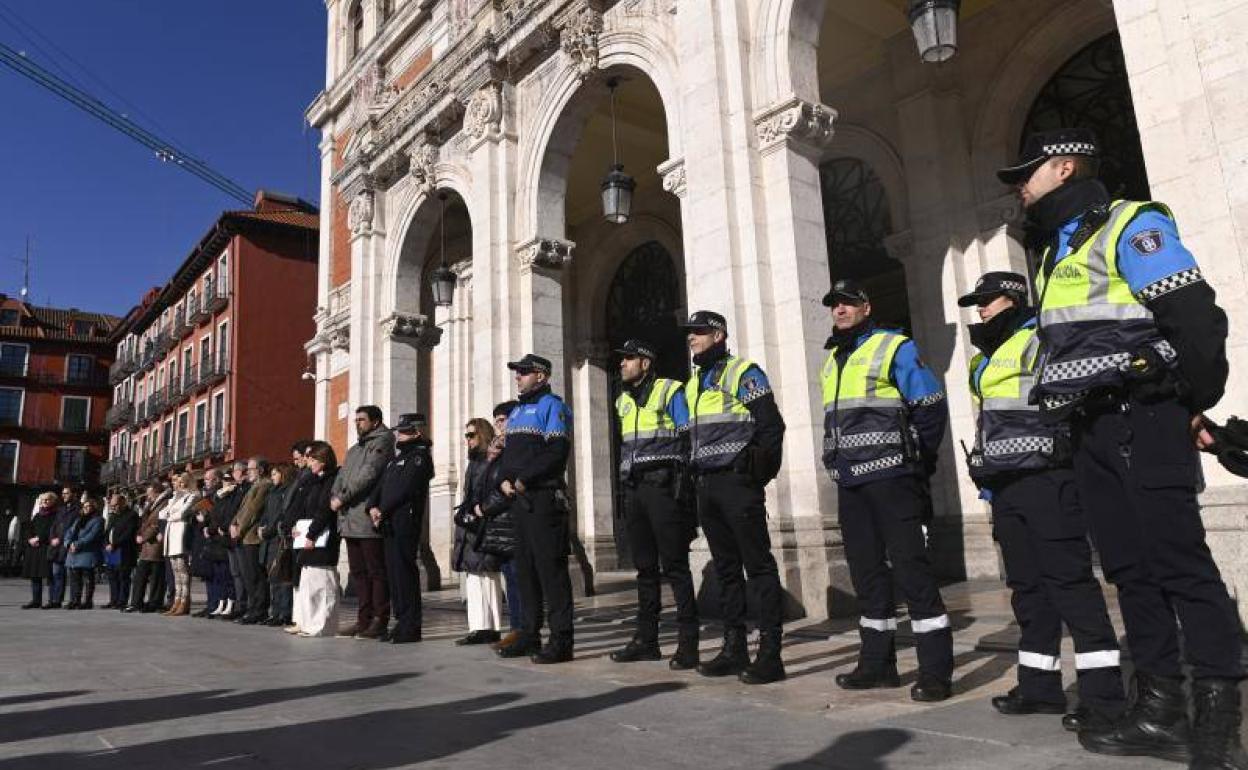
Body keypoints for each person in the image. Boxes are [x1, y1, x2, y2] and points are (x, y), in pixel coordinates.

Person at [1002, 128, 1246, 766]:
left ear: (1062, 167)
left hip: (1142, 417)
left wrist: (1189, 401)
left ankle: (1219, 722)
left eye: (1025, 173)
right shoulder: (1057, 252)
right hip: (1092, 431)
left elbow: (1195, 316)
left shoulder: (1130, 226)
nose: (1018, 186)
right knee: (1131, 573)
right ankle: (1159, 712)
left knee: (1180, 564)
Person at [959, 271, 1125, 729]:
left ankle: (1103, 697)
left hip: (1050, 479)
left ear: (1012, 299)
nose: (981, 309)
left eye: (987, 300)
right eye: (978, 302)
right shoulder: (985, 360)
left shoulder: (1042, 337)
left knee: (1070, 583)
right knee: (1027, 590)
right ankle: (1039, 686)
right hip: (1006, 486)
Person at [819, 280, 954, 701]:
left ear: (866, 307)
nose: (839, 310)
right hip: (852, 484)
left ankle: (935, 671)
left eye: (847, 303)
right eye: (834, 305)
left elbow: (930, 406)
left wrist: (918, 465)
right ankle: (878, 664)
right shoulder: (833, 360)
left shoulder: (894, 347)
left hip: (894, 479)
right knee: (867, 575)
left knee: (913, 572)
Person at [680, 311, 787, 684]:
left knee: (757, 566)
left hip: (737, 484)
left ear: (719, 335)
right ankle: (733, 647)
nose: (692, 337)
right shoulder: (693, 384)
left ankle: (771, 654)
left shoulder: (744, 372)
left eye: (699, 332)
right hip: (706, 486)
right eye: (689, 332)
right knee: (726, 570)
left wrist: (755, 472)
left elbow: (771, 426)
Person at [608, 339, 699, 669]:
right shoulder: (622, 402)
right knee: (644, 569)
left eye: (629, 358)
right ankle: (646, 640)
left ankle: (689, 644)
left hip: (663, 486)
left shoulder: (669, 390)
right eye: (622, 359)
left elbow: (689, 437)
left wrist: (684, 484)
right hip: (634, 490)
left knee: (675, 566)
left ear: (645, 363)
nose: (622, 363)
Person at [496, 353, 575, 664]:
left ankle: (561, 639)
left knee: (551, 571)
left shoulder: (552, 406)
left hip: (542, 498)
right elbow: (509, 454)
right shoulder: (515, 413)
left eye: (524, 372)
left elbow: (557, 452)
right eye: (517, 372)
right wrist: (504, 478)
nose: (518, 376)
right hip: (518, 500)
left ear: (541, 376)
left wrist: (524, 479)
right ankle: (530, 633)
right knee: (525, 570)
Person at [368, 413, 435, 644]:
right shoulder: (396, 459)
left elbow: (405, 489)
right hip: (388, 522)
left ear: (417, 432)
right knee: (394, 575)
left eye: (404, 431)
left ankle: (411, 626)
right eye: (399, 430)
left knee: (405, 573)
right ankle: (400, 621)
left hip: (405, 521)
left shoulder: (420, 457)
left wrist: (382, 509)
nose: (399, 434)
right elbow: (381, 485)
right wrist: (372, 507)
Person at [331, 405, 395, 639]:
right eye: (356, 419)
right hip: (349, 517)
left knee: (376, 571)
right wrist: (335, 495)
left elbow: (369, 474)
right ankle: (363, 619)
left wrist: (342, 497)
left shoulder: (382, 442)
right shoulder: (355, 448)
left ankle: (379, 619)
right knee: (358, 572)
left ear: (375, 421)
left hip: (366, 516)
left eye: (361, 419)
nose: (357, 423)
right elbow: (342, 475)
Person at [452, 418, 504, 646]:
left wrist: (476, 511)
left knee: (483, 575)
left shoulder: (488, 461)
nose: (467, 440)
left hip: (482, 523)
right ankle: (485, 626)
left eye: (471, 435)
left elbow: (485, 491)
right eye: (466, 436)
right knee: (478, 575)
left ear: (481, 435)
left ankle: (484, 627)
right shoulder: (474, 462)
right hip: (474, 524)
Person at [290, 441, 342, 638]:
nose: (308, 462)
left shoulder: (331, 480)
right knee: (309, 583)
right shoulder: (314, 481)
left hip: (323, 537)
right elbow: (305, 508)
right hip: (309, 535)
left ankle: (323, 625)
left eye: (312, 459)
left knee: (323, 584)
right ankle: (309, 623)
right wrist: (297, 527)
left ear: (323, 459)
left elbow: (325, 510)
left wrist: (311, 534)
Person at [490, 400, 524, 653]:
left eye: (502, 420)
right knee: (510, 577)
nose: (497, 426)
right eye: (496, 421)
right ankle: (516, 627)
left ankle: (522, 628)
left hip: (515, 517)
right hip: (501, 523)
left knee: (519, 577)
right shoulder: (497, 448)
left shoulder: (519, 444)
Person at [232, 457, 273, 624]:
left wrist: (239, 528)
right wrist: (233, 523)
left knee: (255, 576)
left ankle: (259, 609)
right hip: (244, 535)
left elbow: (253, 510)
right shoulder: (253, 486)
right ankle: (252, 607)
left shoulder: (264, 485)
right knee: (247, 575)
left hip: (252, 536)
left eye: (251, 468)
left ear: (261, 470)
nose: (247, 472)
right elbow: (242, 509)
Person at [257, 463, 296, 627]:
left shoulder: (285, 491)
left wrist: (269, 530)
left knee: (281, 575)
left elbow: (280, 515)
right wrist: (262, 526)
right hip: (268, 539)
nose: (272, 477)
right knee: (272, 576)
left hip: (278, 539)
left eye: (275, 474)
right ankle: (275, 611)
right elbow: (266, 513)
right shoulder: (272, 492)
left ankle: (284, 612)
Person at [204, 471, 245, 618]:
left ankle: (231, 602)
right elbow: (213, 515)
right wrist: (210, 528)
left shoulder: (234, 495)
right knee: (219, 574)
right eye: (225, 480)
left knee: (230, 574)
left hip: (225, 538)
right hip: (216, 538)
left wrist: (222, 526)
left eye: (229, 479)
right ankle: (221, 602)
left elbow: (230, 513)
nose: (226, 482)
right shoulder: (219, 496)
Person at [126, 483, 170, 613]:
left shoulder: (165, 503)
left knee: (156, 576)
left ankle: (154, 602)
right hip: (147, 546)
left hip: (156, 544)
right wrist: (139, 533)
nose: (147, 495)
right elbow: (144, 521)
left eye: (149, 493)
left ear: (156, 492)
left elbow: (157, 524)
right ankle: (136, 602)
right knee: (140, 576)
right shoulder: (151, 504)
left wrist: (143, 536)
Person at [161, 473, 198, 617]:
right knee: (175, 569)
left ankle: (184, 600)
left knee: (182, 569)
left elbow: (182, 514)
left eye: (183, 482)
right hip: (172, 533)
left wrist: (172, 514)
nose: (180, 485)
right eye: (179, 482)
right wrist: (171, 513)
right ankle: (177, 600)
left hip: (181, 533)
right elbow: (162, 514)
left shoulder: (192, 496)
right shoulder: (175, 497)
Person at [64, 496, 105, 609]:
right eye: (85, 506)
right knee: (74, 579)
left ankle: (87, 601)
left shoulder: (98, 520)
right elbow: (69, 532)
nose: (87, 509)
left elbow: (92, 535)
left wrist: (77, 544)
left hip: (87, 552)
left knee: (88, 578)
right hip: (74, 553)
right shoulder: (78, 520)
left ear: (94, 508)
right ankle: (75, 600)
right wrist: (68, 543)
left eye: (89, 506)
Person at [20, 492, 58, 609]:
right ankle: (36, 600)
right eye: (42, 500)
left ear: (52, 501)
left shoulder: (56, 515)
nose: (44, 502)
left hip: (46, 548)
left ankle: (52, 600)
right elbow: (30, 528)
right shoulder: (37, 515)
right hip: (34, 548)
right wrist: (30, 539)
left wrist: (39, 538)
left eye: (47, 500)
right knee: (35, 575)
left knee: (50, 576)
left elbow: (51, 530)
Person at [44, 486, 80, 609]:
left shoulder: (78, 509)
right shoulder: (61, 509)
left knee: (72, 575)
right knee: (56, 573)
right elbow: (54, 525)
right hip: (57, 547)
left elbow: (75, 528)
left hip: (69, 546)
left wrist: (65, 540)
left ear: (74, 494)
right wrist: (52, 538)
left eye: (66, 493)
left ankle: (74, 600)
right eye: (63, 493)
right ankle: (54, 600)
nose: (63, 495)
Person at [102, 493, 140, 610]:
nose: (113, 508)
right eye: (112, 506)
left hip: (124, 550)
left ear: (123, 503)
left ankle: (121, 601)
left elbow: (128, 534)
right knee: (112, 576)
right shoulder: (113, 516)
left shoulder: (131, 515)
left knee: (123, 576)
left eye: (116, 505)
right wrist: (107, 544)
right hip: (111, 550)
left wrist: (115, 544)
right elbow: (107, 532)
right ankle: (113, 600)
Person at [225, 459, 251, 615]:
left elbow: (242, 511)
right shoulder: (235, 490)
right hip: (230, 535)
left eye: (235, 471)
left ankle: (244, 605)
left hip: (240, 534)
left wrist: (235, 525)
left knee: (243, 572)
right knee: (235, 572)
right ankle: (239, 605)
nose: (233, 474)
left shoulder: (246, 489)